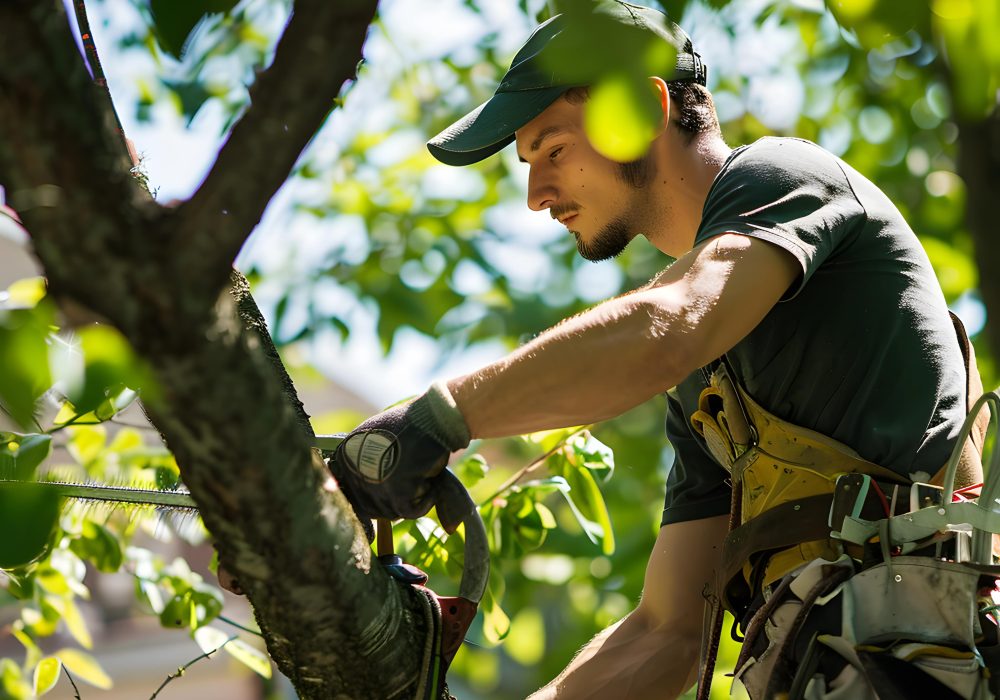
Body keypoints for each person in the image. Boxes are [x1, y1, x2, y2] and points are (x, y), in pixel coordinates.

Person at [330, 2, 994, 698]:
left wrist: (438, 418)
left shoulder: (783, 177)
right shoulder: (707, 387)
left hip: (926, 663)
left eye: (552, 150)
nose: (535, 195)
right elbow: (669, 631)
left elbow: (674, 321)